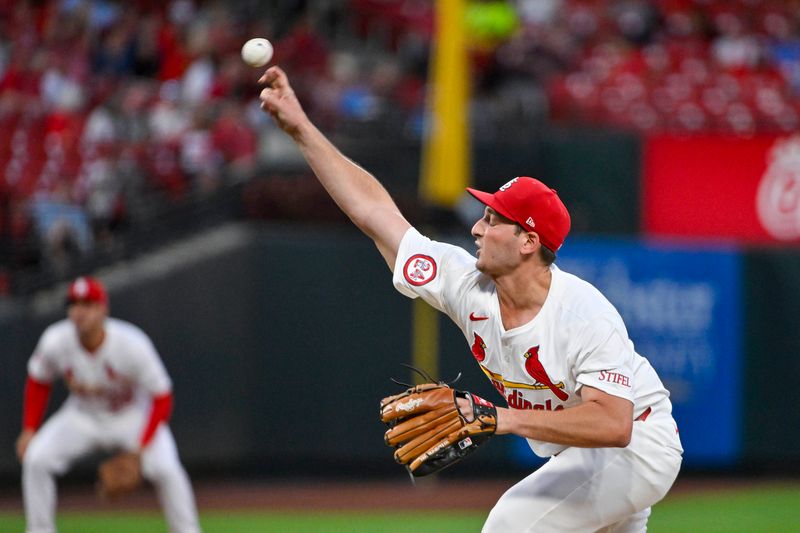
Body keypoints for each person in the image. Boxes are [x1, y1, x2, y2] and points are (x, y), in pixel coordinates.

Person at [258, 65, 683, 532]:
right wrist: (301, 129)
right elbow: (374, 212)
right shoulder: (467, 285)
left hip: (638, 444)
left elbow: (613, 424)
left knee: (509, 524)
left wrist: (500, 418)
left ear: (527, 241)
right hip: (585, 458)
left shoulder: (582, 312)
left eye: (493, 219)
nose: (478, 229)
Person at [16, 276, 201, 533]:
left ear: (103, 309)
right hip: (82, 415)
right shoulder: (56, 340)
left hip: (131, 416)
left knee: (168, 470)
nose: (80, 311)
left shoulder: (132, 344)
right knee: (37, 458)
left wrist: (139, 449)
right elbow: (39, 381)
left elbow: (162, 398)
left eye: (88, 304)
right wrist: (29, 427)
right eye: (74, 304)